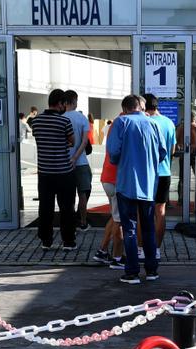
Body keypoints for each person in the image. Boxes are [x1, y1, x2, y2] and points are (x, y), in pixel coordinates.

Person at [106, 94, 167, 284]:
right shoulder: (154, 124)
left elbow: (113, 153)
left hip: (126, 183)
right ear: (141, 106)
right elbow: (163, 152)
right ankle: (151, 271)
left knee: (130, 228)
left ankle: (132, 272)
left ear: (125, 108)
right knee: (148, 227)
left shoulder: (121, 122)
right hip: (149, 185)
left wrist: (123, 160)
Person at [28, 89, 78, 250]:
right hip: (64, 172)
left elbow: (40, 139)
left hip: (45, 173)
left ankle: (46, 241)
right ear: (61, 104)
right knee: (67, 208)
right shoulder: (64, 122)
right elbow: (73, 141)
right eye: (64, 103)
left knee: (45, 207)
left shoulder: (36, 121)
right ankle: (68, 241)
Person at [143, 93, 178, 254]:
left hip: (147, 173)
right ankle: (156, 249)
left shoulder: (145, 122)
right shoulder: (169, 123)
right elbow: (172, 150)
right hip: (164, 172)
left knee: (143, 212)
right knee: (161, 212)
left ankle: (142, 248)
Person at [93, 108, 126, 268]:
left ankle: (102, 250)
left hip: (108, 177)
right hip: (116, 180)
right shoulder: (125, 124)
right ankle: (117, 258)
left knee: (115, 217)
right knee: (119, 220)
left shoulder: (116, 123)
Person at [64, 90, 93, 233]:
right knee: (83, 192)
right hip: (81, 162)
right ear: (75, 101)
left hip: (65, 163)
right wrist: (76, 156)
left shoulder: (61, 118)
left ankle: (70, 223)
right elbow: (84, 141)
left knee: (68, 195)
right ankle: (83, 221)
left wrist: (70, 158)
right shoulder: (81, 118)